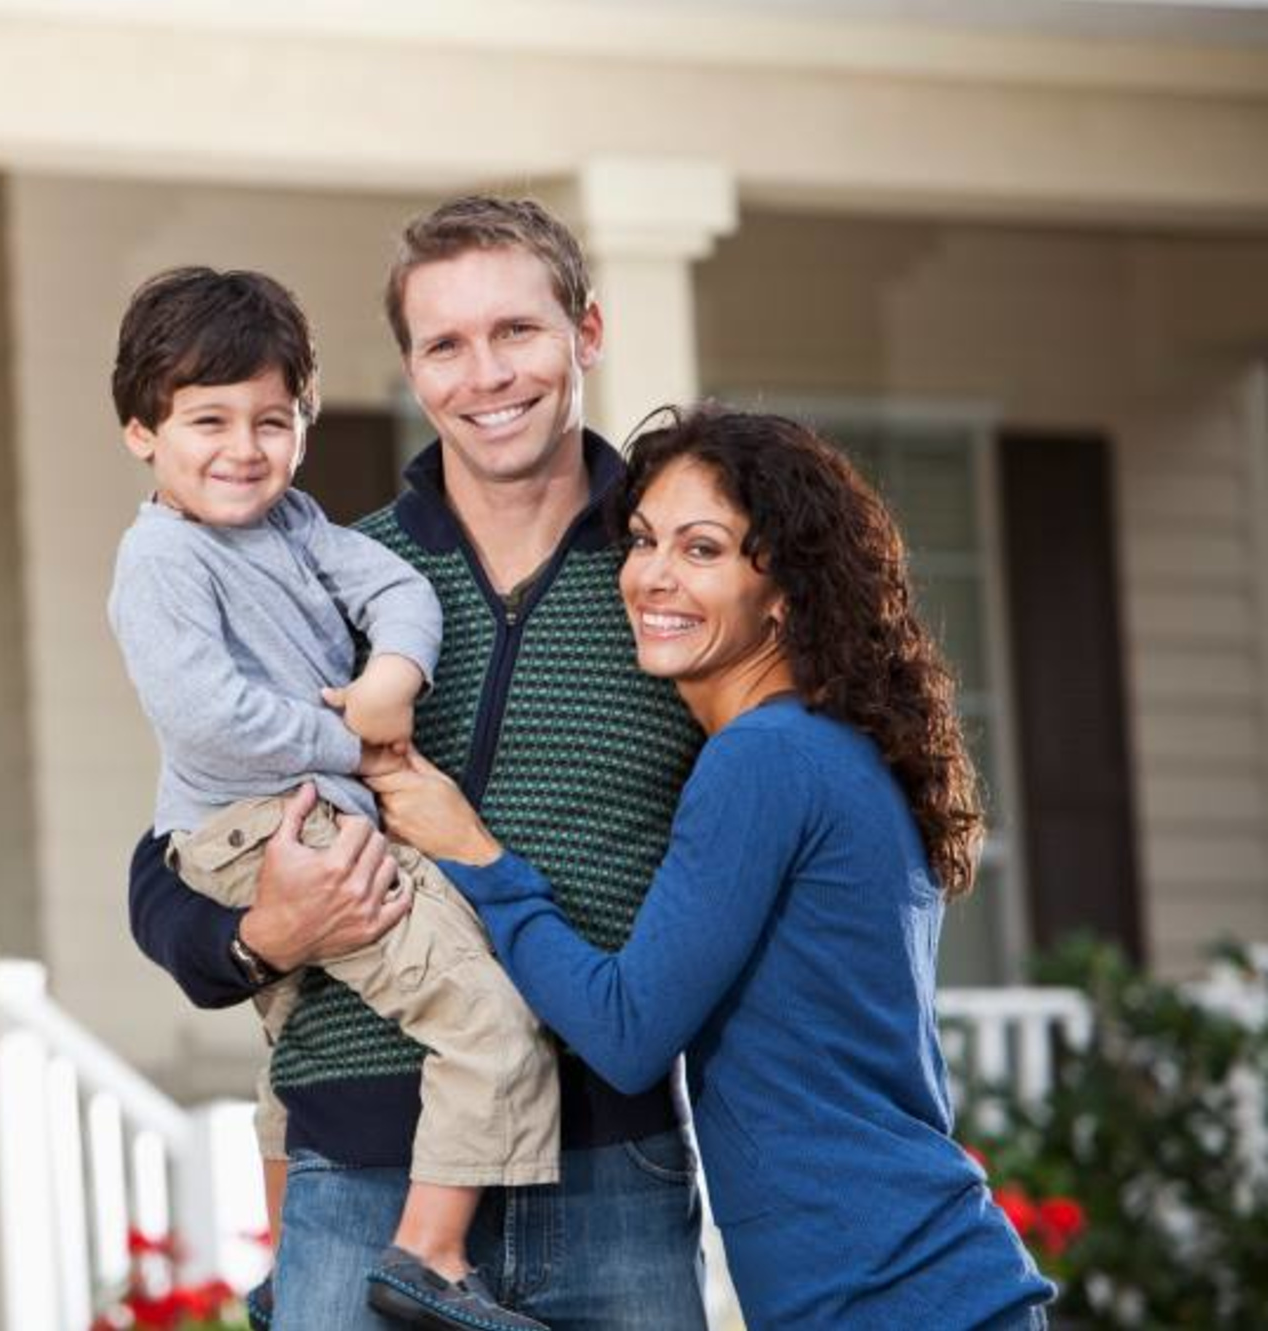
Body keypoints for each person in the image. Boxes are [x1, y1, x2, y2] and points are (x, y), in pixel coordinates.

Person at [127, 198, 709, 1331]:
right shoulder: (321, 569)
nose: (484, 374)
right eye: (444, 343)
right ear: (409, 367)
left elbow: (761, 814)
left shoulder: (670, 574)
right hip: (360, 1174)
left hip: (614, 1178)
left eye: (516, 332)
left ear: (585, 332)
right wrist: (257, 937)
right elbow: (169, 852)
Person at [372, 404, 1058, 1329]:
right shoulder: (819, 746)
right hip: (906, 1284)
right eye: (646, 538)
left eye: (703, 549)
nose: (653, 574)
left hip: (890, 1293)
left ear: (785, 588)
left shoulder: (763, 759)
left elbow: (625, 1030)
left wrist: (474, 852)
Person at [106, 267, 560, 1331]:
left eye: (272, 419)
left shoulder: (295, 523)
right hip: (259, 821)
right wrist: (353, 742)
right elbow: (208, 716)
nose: (242, 447)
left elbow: (396, 589)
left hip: (297, 808)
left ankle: (279, 1266)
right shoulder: (159, 559)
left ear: (303, 423)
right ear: (141, 432)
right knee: (490, 1017)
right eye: (207, 419)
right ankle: (430, 1252)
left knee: (292, 1042)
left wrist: (392, 675)